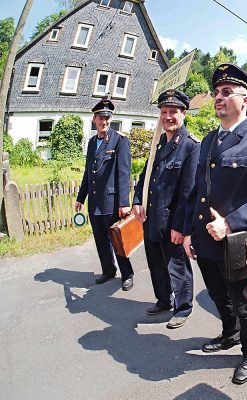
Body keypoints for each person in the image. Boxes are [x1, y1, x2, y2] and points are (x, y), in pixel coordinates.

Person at [182, 63, 247, 385]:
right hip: (204, 238)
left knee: (244, 302)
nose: (218, 97)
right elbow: (197, 192)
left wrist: (230, 223)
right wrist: (188, 231)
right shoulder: (209, 140)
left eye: (226, 92)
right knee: (218, 296)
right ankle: (229, 335)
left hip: (238, 241)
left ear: (245, 101)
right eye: (216, 93)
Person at [132, 89, 200, 329]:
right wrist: (137, 201)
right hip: (151, 218)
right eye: (164, 112)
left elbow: (188, 192)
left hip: (172, 222)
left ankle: (183, 307)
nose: (168, 116)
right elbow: (145, 176)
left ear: (183, 114)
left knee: (177, 265)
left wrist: (181, 227)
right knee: (155, 264)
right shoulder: (158, 143)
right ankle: (163, 299)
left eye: (173, 112)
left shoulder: (191, 146)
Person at [75, 99, 134, 291]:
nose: (104, 121)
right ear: (94, 119)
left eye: (107, 117)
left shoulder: (120, 140)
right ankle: (108, 270)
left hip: (112, 201)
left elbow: (124, 173)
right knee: (100, 239)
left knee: (117, 239)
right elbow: (87, 172)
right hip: (95, 202)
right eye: (101, 117)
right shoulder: (92, 143)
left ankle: (127, 274)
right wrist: (80, 198)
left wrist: (124, 203)